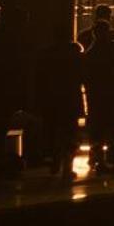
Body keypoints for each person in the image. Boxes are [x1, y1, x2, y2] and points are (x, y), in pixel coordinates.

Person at [81, 5, 114, 174]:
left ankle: (97, 159)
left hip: (95, 95)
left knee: (97, 128)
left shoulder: (85, 41)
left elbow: (84, 72)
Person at [34, 28, 83, 181]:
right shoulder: (75, 52)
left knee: (53, 129)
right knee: (70, 133)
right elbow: (82, 74)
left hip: (51, 98)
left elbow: (39, 77)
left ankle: (54, 158)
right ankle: (67, 168)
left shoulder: (45, 54)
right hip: (70, 96)